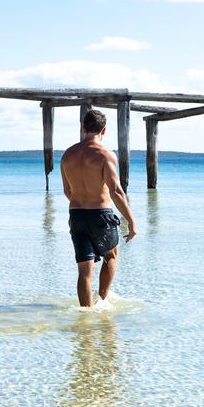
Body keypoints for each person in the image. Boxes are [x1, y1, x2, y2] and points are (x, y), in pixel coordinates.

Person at [61, 109, 137, 307]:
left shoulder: (68, 155)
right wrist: (131, 220)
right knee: (110, 256)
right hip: (100, 215)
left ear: (82, 128)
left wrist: (81, 202)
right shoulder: (105, 155)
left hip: (76, 215)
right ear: (103, 130)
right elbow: (116, 191)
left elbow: (67, 191)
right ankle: (102, 302)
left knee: (84, 271)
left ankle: (86, 314)